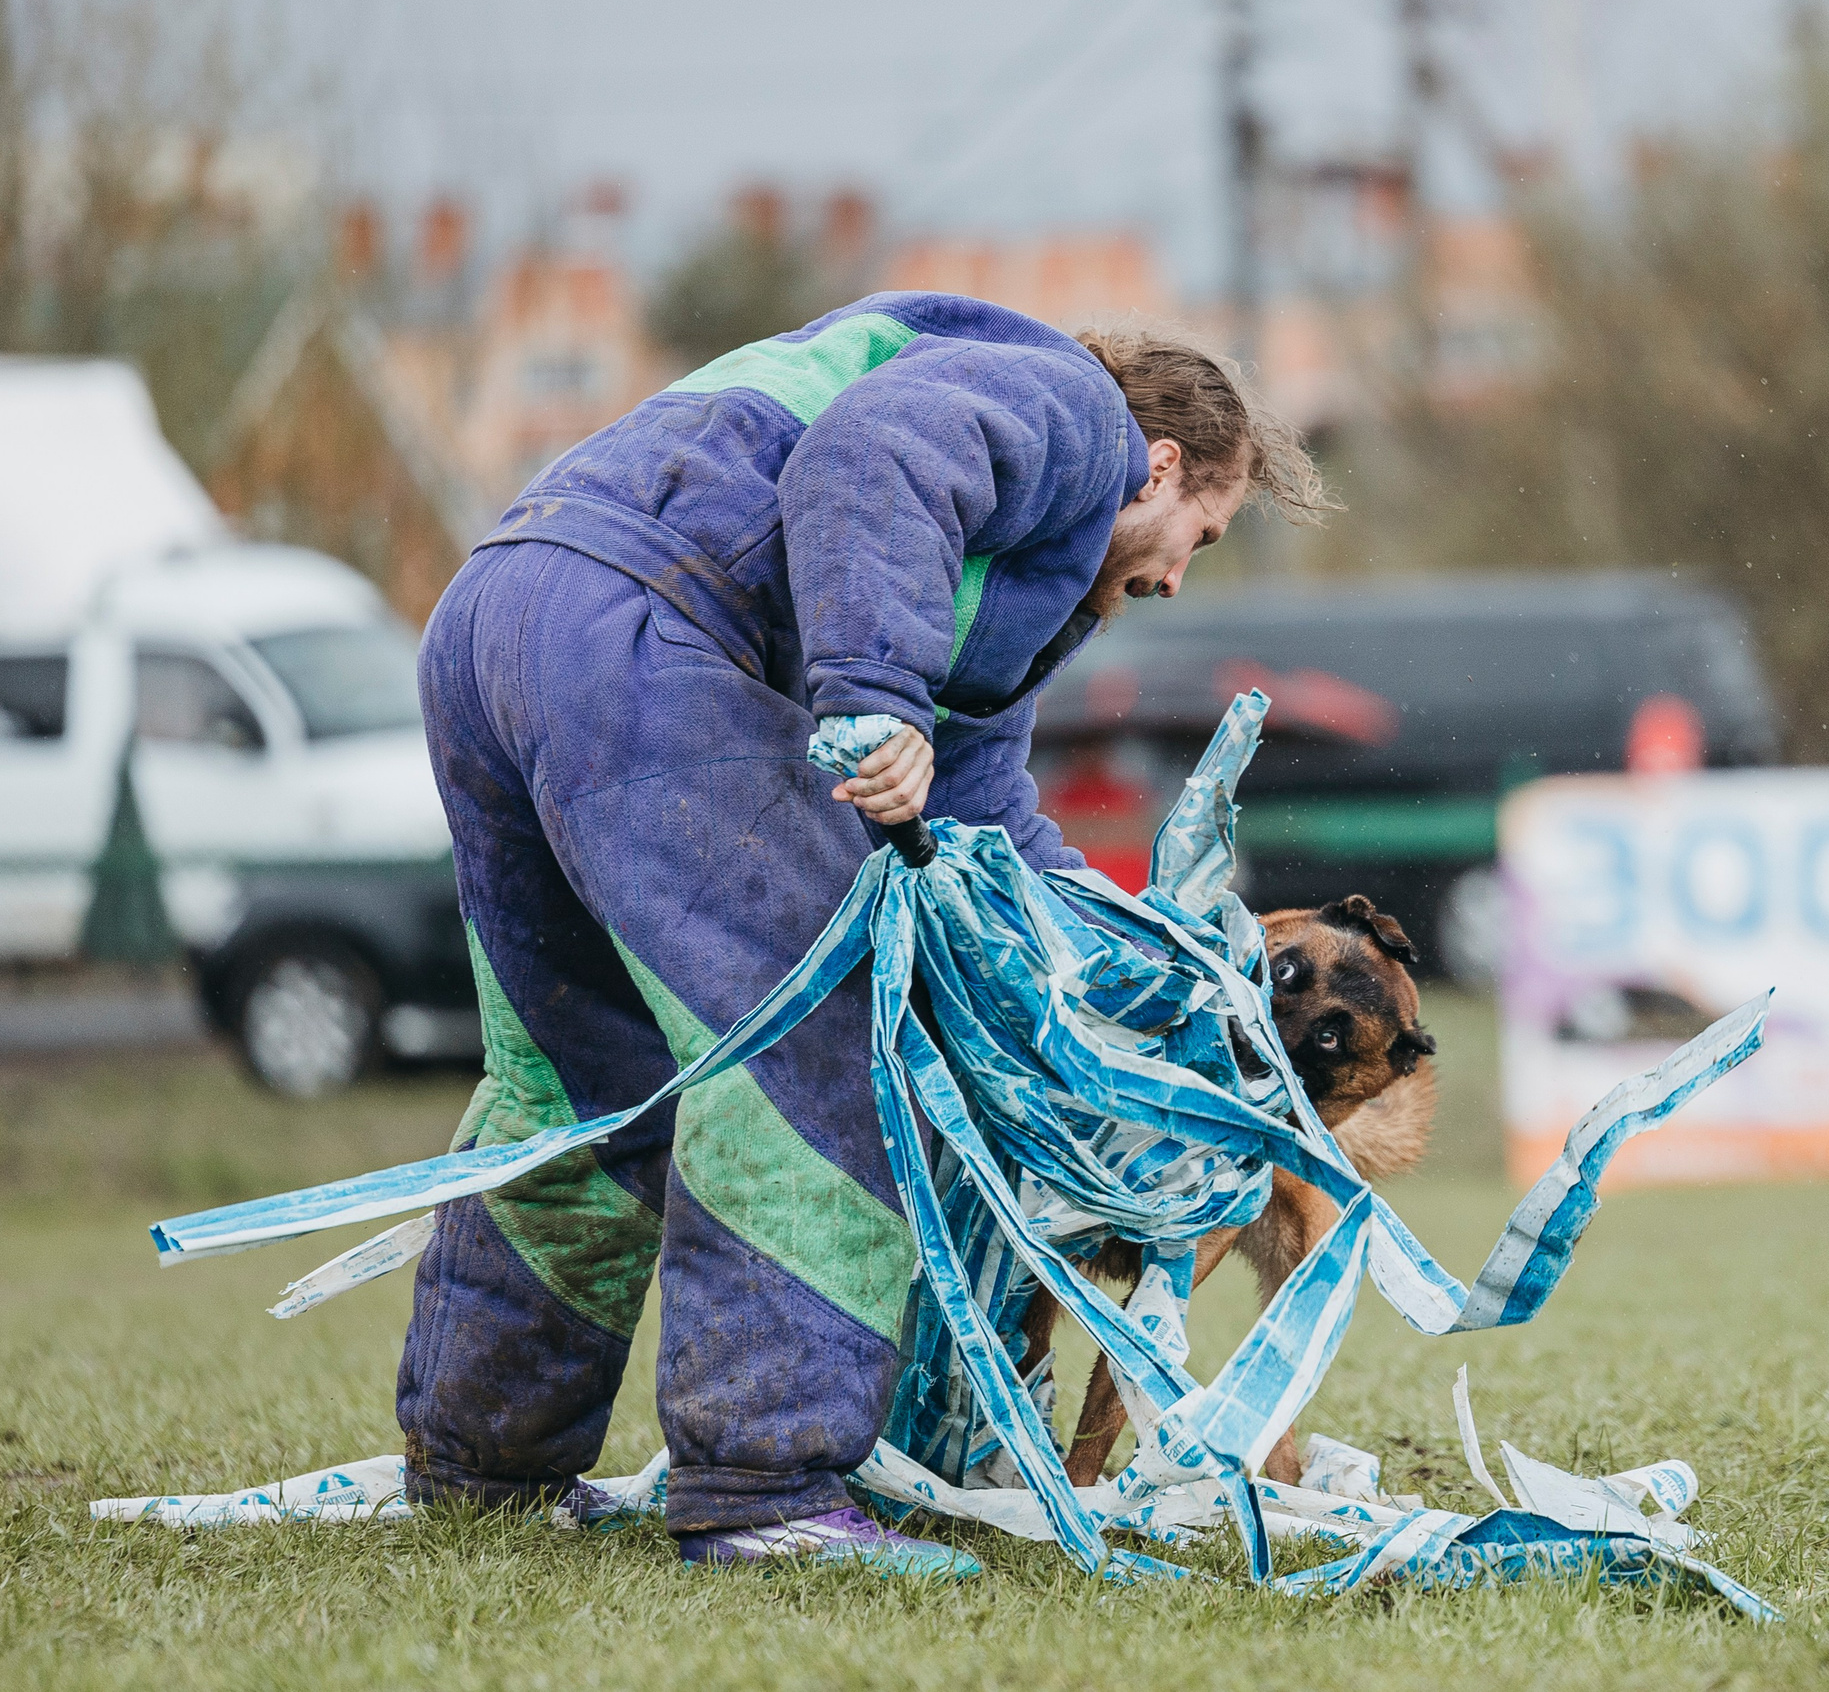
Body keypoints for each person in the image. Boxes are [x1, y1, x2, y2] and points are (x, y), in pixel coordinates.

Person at [396, 291, 1330, 1576]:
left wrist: (1119, 951)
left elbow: (981, 813)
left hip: (501, 622)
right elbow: (872, 455)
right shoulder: (1068, 410)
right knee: (818, 1046)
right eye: (1201, 536)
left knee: (583, 1085)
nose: (1174, 577)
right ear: (1158, 464)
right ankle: (767, 1489)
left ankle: (484, 1467)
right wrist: (874, 695)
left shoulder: (999, 578)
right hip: (642, 641)